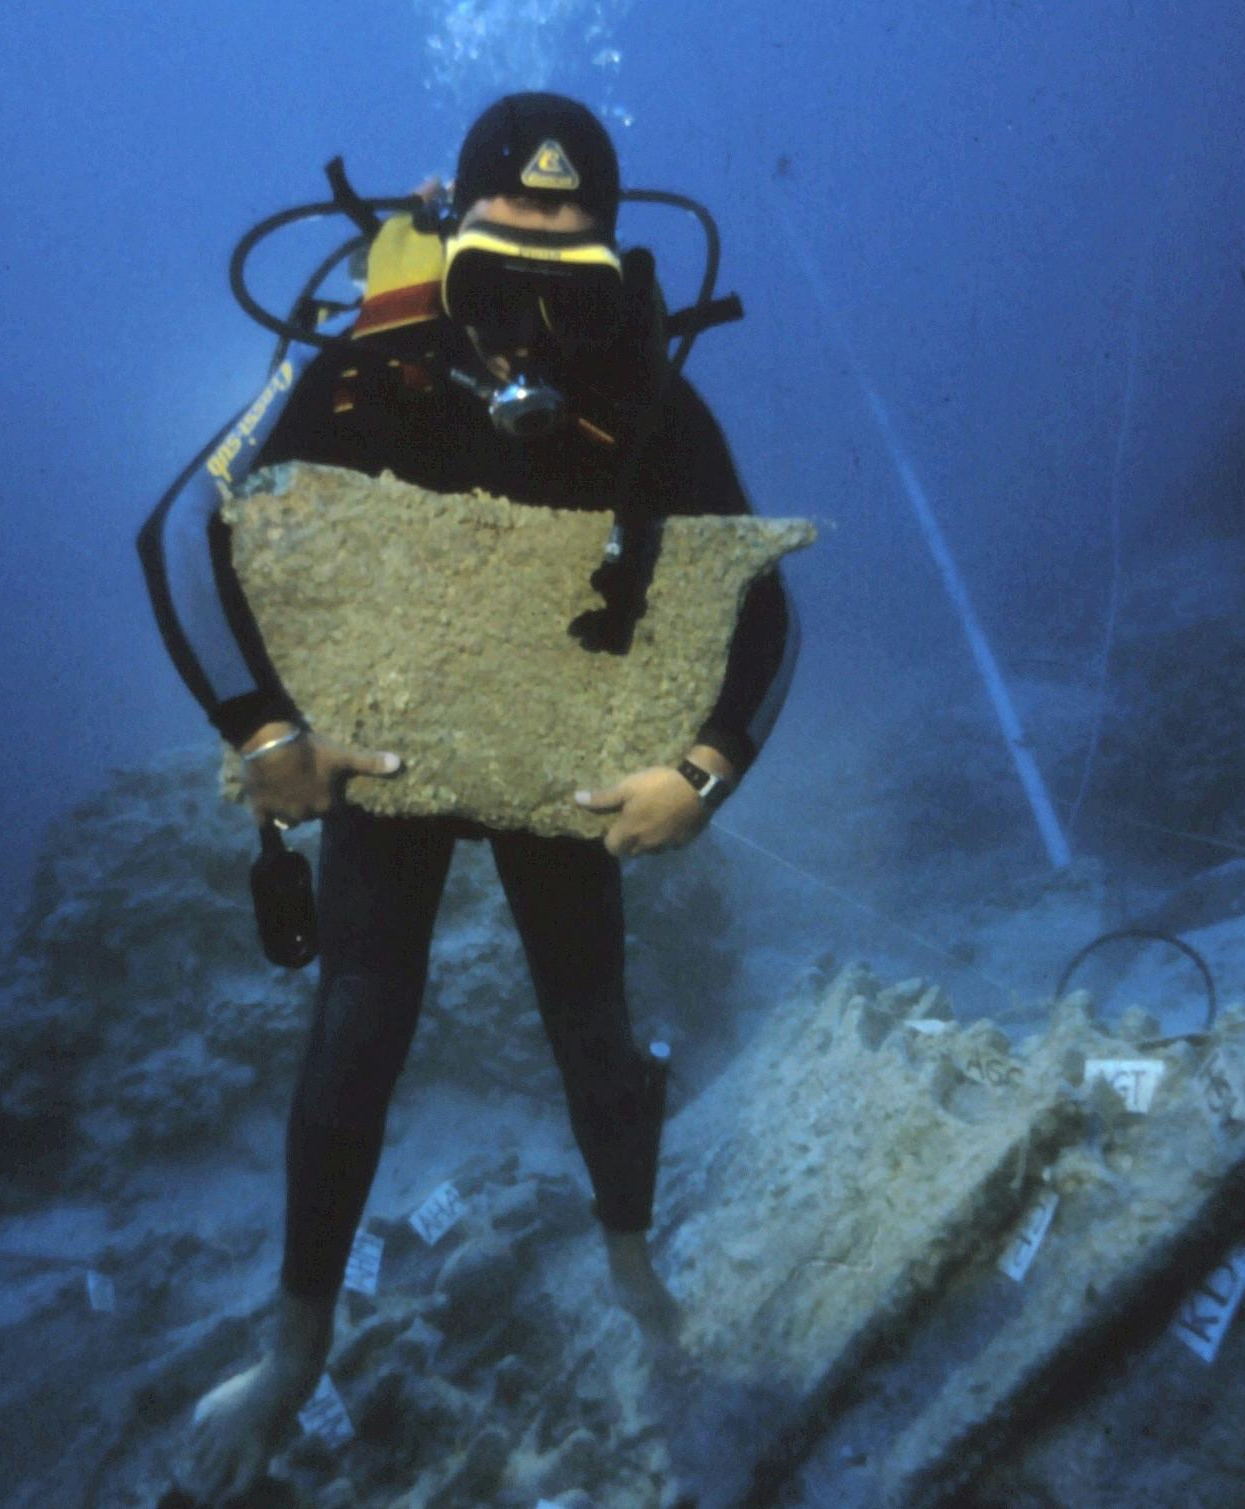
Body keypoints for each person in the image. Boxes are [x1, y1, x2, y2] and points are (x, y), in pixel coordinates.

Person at [137, 92, 797, 1507]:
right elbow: (189, 532)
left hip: (561, 748)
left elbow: (763, 605)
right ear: (445, 256)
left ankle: (632, 1260)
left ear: (616, 275)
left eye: (574, 291)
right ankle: (296, 1347)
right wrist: (265, 731)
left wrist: (700, 774)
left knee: (592, 1019)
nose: (531, 337)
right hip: (397, 744)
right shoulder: (367, 363)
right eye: (499, 283)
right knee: (359, 1023)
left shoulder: (647, 396)